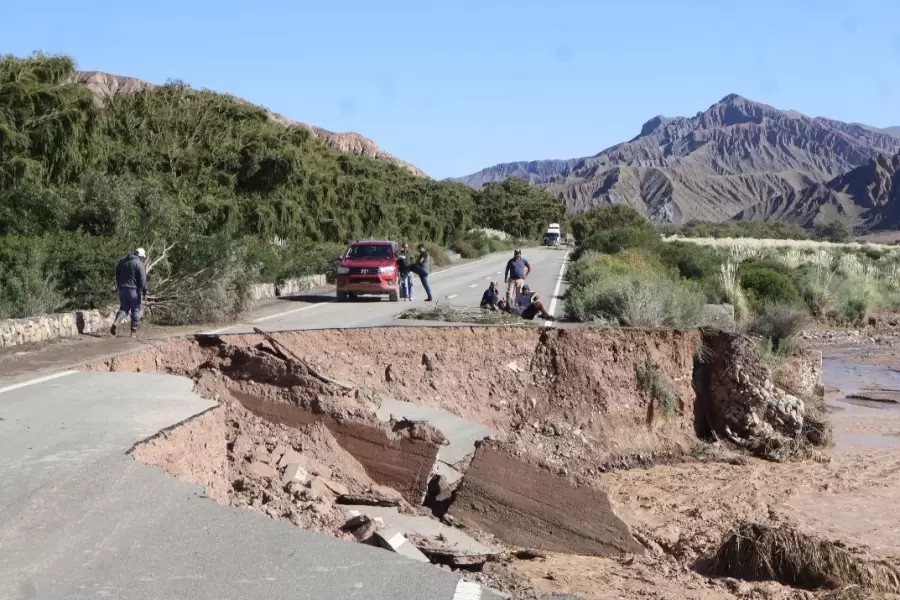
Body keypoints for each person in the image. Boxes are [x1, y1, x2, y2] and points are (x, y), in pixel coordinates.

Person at [111, 247, 148, 337]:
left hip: (122, 289)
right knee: (135, 309)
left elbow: (117, 274)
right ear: (141, 256)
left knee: (124, 308)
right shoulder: (139, 264)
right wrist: (144, 291)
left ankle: (116, 322)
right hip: (134, 291)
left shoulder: (122, 261)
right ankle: (133, 332)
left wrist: (119, 285)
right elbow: (143, 279)